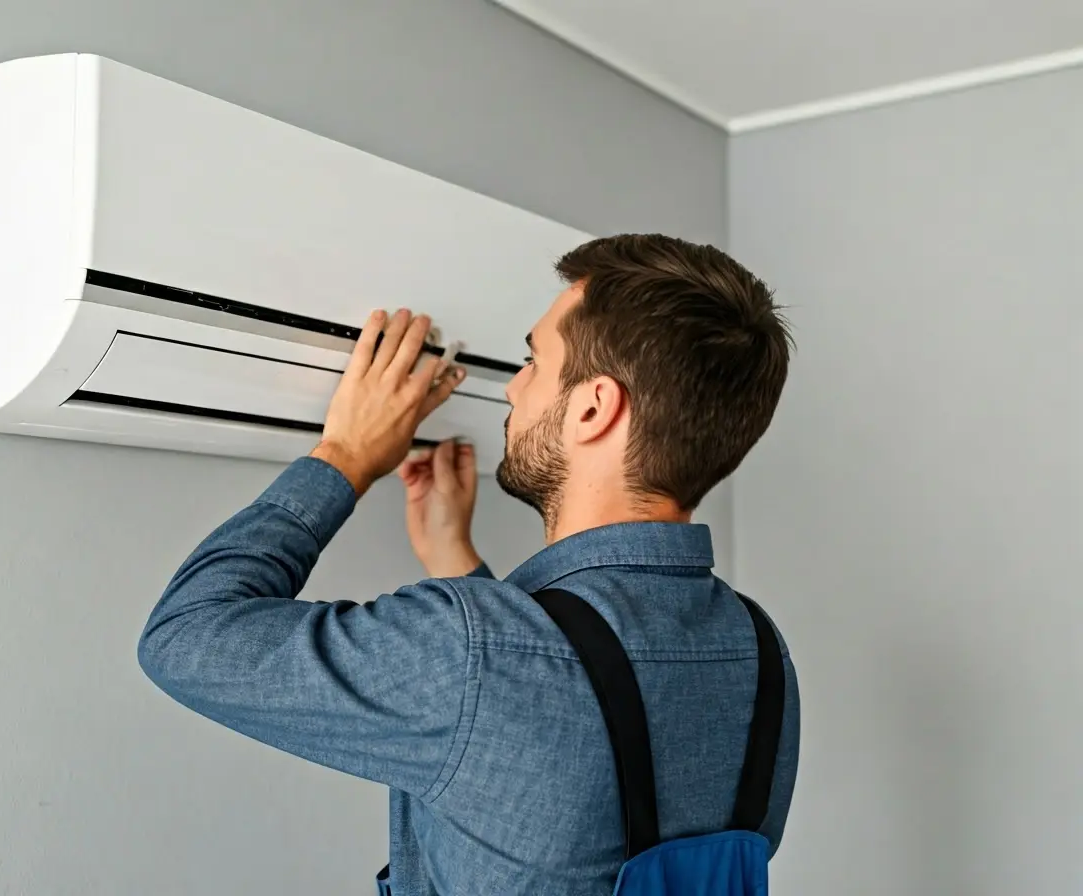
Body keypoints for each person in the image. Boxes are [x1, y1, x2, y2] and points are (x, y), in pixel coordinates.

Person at [138, 233, 800, 895]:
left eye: (533, 360)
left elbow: (185, 635)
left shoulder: (476, 653)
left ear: (594, 407)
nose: (514, 388)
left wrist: (344, 456)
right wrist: (455, 561)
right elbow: (573, 769)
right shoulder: (761, 652)